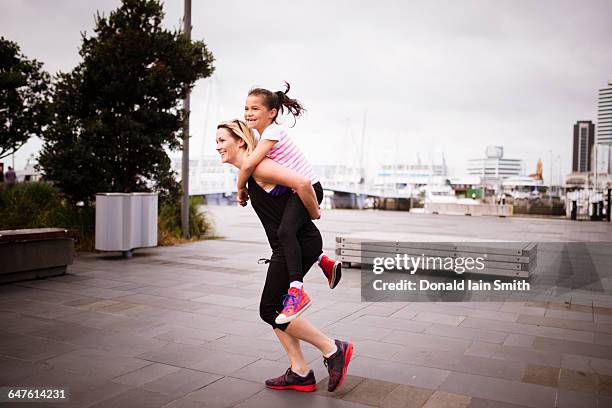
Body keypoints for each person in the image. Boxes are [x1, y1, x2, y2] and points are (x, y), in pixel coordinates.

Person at [216, 120, 353, 392]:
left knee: (269, 309)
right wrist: (241, 186)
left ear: (240, 141)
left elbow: (303, 183)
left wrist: (315, 212)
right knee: (274, 309)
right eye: (216, 141)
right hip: (291, 246)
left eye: (222, 140)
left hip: (298, 244)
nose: (217, 146)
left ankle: (332, 349)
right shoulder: (251, 172)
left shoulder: (261, 167)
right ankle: (300, 371)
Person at [236, 82, 341, 325]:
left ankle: (296, 291)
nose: (248, 113)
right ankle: (323, 261)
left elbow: (249, 164)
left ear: (271, 113)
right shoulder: (265, 136)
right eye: (246, 108)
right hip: (299, 191)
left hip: (308, 190)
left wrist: (240, 188)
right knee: (293, 230)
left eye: (255, 109)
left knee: (285, 231)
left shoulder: (273, 132)